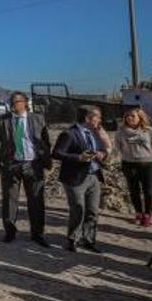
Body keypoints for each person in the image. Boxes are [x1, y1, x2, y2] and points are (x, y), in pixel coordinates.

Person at [0, 91, 52, 246]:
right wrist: (0, 164)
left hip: (33, 165)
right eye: (11, 101)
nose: (13, 104)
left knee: (36, 201)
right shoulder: (1, 121)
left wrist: (45, 161)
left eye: (16, 101)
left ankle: (37, 234)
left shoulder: (38, 119)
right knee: (10, 200)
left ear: (24, 103)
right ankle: (10, 232)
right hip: (11, 165)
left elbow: (46, 142)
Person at [53, 105, 108, 253]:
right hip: (75, 178)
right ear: (88, 118)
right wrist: (78, 157)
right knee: (78, 209)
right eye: (98, 117)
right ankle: (73, 240)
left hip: (94, 176)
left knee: (92, 211)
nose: (100, 120)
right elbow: (57, 153)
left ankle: (89, 240)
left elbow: (103, 149)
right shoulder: (69, 134)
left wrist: (102, 154)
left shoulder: (95, 133)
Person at [115, 107, 152, 227]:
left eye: (132, 116)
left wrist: (148, 154)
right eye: (127, 116)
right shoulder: (121, 131)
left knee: (148, 191)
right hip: (129, 163)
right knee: (133, 190)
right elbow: (118, 146)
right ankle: (139, 213)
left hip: (148, 164)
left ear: (140, 117)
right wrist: (128, 155)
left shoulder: (149, 130)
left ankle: (148, 215)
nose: (129, 118)